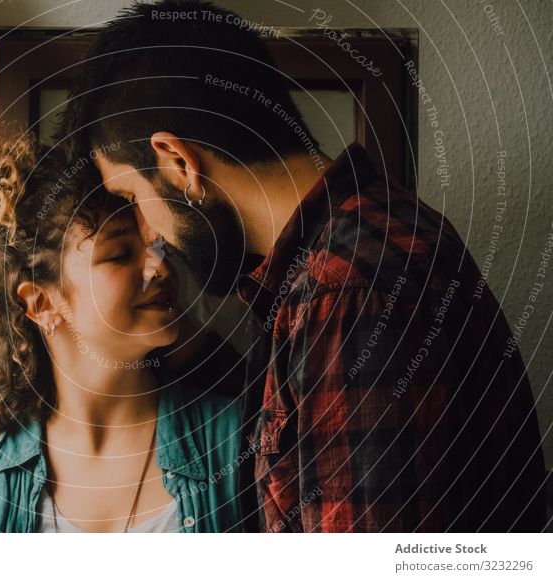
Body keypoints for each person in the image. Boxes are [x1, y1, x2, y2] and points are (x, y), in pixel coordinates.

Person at [57, 0, 548, 532]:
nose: (150, 236)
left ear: (178, 162)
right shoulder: (368, 237)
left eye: (132, 198)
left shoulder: (347, 292)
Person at [0, 131, 244, 533]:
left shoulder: (238, 445)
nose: (159, 269)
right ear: (41, 304)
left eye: (155, 246)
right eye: (119, 254)